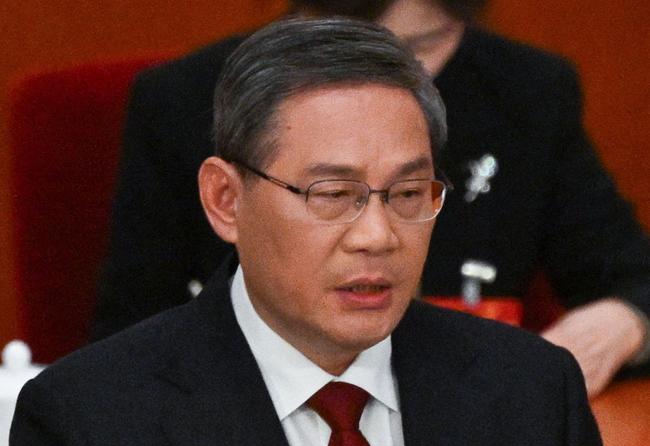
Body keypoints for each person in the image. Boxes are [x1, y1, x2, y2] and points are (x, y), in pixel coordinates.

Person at [2, 18, 616, 446]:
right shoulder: (88, 425)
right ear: (224, 200)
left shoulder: (534, 394)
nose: (377, 235)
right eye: (332, 194)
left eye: (407, 193)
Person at [92, 0, 650, 397]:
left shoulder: (528, 90)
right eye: (332, 193)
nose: (376, 233)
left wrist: (624, 321)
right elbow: (128, 339)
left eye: (421, 50)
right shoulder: (186, 99)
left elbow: (629, 273)